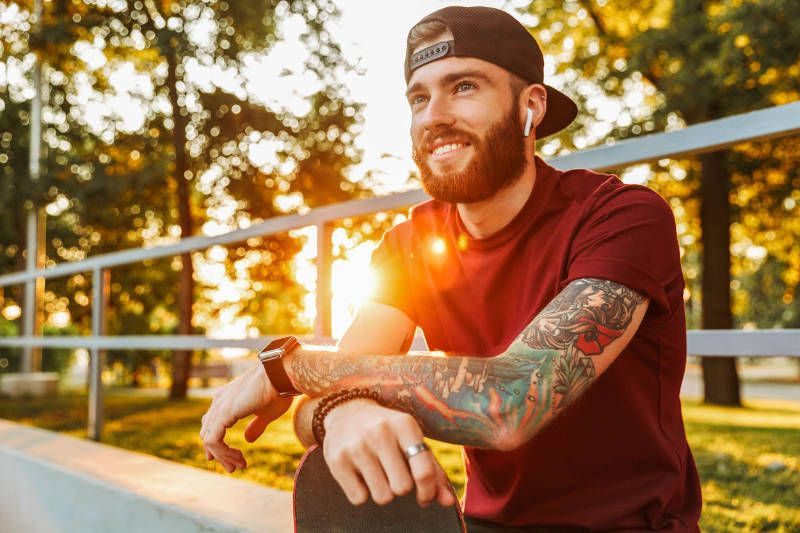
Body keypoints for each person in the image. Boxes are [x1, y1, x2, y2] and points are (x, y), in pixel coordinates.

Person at [199, 5, 702, 531]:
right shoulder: (411, 244)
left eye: (464, 86)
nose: (433, 115)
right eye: (419, 97)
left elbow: (512, 401)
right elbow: (336, 388)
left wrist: (287, 367)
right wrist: (341, 410)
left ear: (530, 105)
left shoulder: (621, 216)